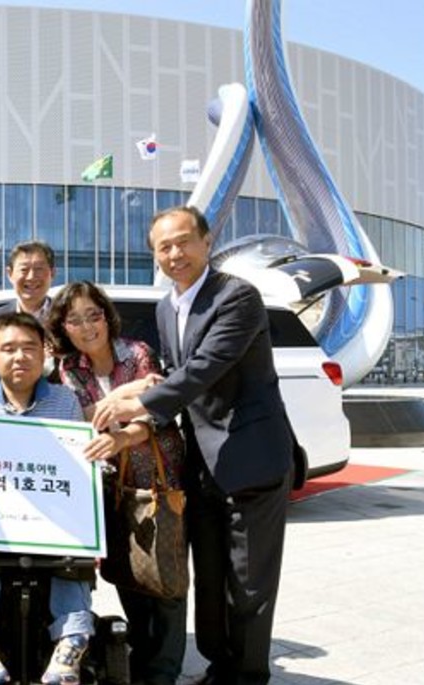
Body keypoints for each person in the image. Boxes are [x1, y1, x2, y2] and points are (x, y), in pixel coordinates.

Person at [92, 206, 298, 685]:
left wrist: (139, 403)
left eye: (184, 241)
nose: (175, 253)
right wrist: (140, 399)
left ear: (207, 242)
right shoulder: (167, 307)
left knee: (247, 584)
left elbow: (206, 366)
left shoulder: (237, 296)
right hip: (202, 463)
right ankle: (219, 664)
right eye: (163, 246)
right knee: (208, 577)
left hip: (251, 458)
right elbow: (176, 375)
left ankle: (247, 676)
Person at [0, 313, 115, 685]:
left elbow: (75, 465)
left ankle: (72, 638)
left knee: (73, 543)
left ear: (44, 354)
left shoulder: (65, 402)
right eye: (8, 348)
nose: (19, 357)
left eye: (29, 348)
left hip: (50, 518)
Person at [47, 281, 188, 685]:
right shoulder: (69, 368)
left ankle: (164, 672)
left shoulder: (137, 352)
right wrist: (126, 395)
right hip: (110, 486)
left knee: (166, 577)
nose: (86, 326)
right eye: (74, 320)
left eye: (93, 315)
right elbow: (81, 418)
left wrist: (124, 428)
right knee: (130, 574)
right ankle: (142, 660)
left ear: (107, 317)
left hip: (157, 480)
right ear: (64, 328)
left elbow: (157, 411)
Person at [0, 240, 58, 322]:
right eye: (24, 269)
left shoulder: (66, 316)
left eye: (39, 269)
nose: (31, 277)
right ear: (10, 274)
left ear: (52, 273)